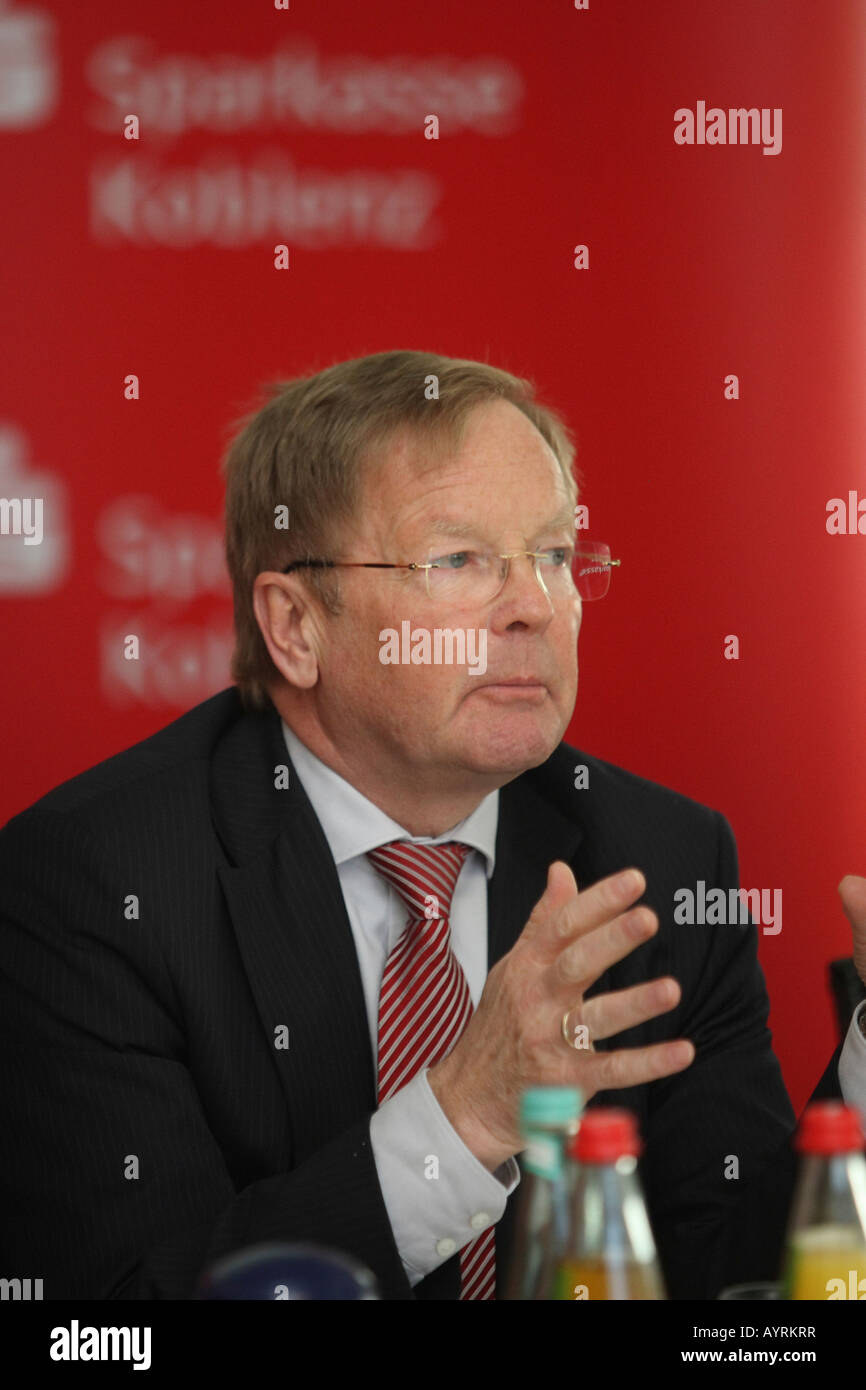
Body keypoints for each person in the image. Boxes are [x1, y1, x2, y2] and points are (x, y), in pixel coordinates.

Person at [0, 349, 861, 1301]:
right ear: (296, 626)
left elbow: (737, 1289)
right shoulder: (93, 883)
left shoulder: (660, 858)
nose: (534, 607)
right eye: (458, 561)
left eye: (555, 556)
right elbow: (118, 1319)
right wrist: (467, 1118)